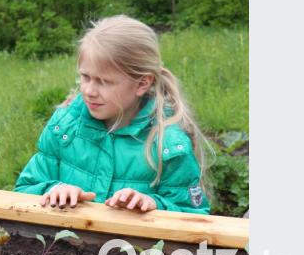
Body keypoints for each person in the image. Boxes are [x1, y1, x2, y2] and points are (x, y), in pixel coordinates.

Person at [14, 15, 211, 214]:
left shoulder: (167, 144)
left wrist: (153, 205)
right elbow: (24, 190)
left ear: (142, 83)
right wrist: (54, 190)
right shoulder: (64, 127)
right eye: (85, 77)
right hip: (60, 243)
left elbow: (194, 215)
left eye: (104, 81)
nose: (89, 90)